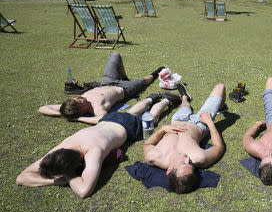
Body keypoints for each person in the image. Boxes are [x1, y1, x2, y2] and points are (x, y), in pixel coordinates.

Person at [16, 92, 181, 198]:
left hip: (125, 128)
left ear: (80, 160)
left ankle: (166, 100)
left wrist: (68, 175)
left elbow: (84, 191)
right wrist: (51, 181)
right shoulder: (62, 148)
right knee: (130, 112)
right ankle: (152, 97)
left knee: (152, 117)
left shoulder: (93, 152)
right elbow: (21, 178)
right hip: (108, 120)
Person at [143, 83, 226, 194]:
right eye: (190, 165)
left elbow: (147, 144)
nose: (188, 159)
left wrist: (162, 129)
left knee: (185, 106)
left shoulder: (154, 157)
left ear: (169, 170)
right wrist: (210, 123)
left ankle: (185, 97)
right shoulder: (198, 158)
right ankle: (221, 107)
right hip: (200, 123)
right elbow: (218, 147)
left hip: (178, 119)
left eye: (184, 163)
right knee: (220, 87)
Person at [38, 52, 164, 125]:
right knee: (145, 80)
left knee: (115, 55)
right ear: (82, 110)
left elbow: (41, 108)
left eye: (77, 97)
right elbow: (101, 120)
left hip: (106, 82)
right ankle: (157, 72)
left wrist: (63, 114)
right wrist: (79, 118)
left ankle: (124, 76)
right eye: (79, 101)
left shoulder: (69, 106)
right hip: (124, 89)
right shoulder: (97, 109)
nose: (79, 96)